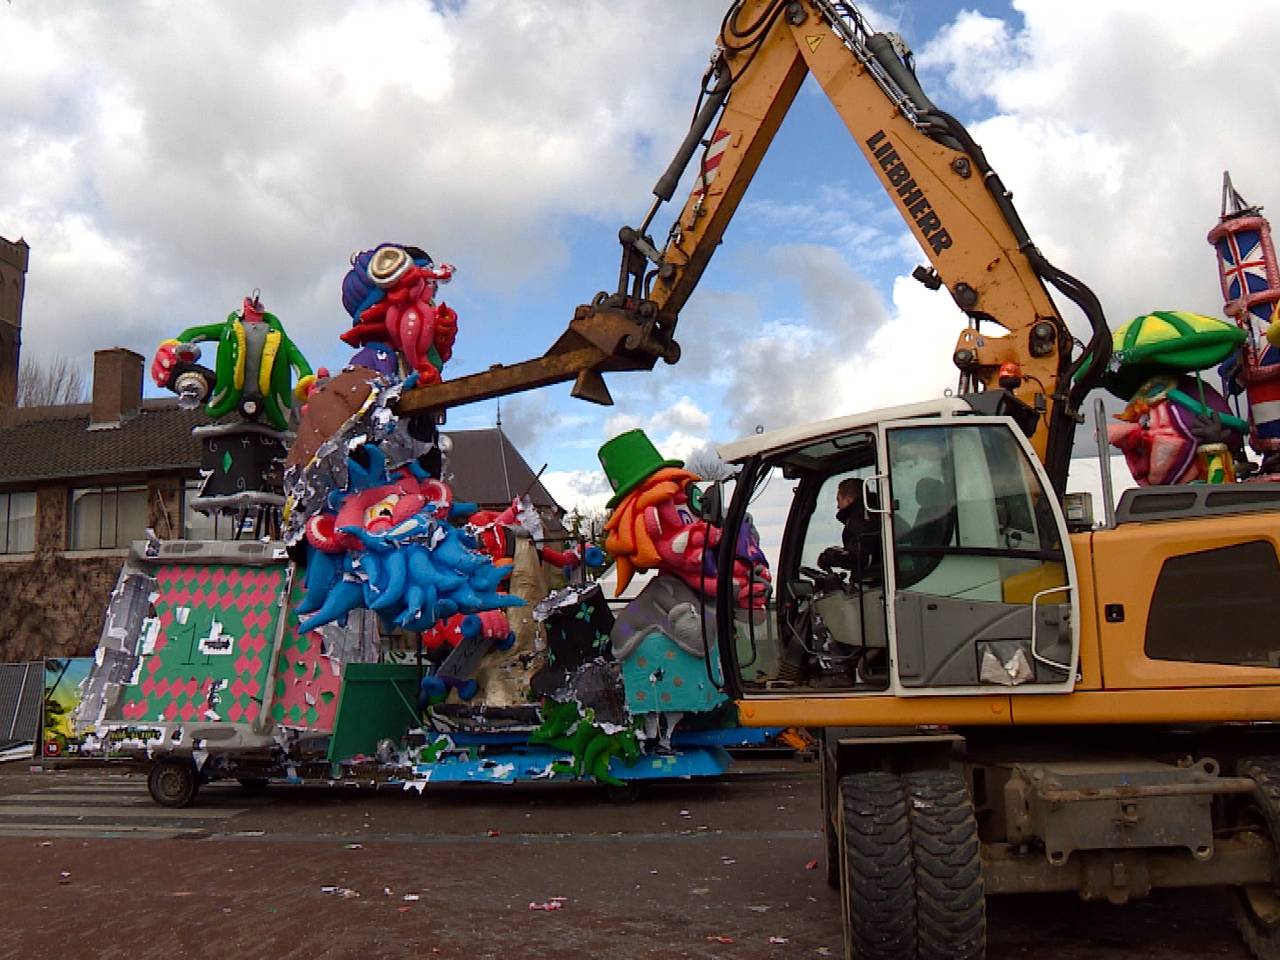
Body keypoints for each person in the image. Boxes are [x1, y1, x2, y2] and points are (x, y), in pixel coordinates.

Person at [817, 476, 882, 583]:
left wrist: (829, 558)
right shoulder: (877, 512)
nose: (838, 506)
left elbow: (861, 558)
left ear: (848, 499)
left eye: (838, 500)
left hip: (873, 582)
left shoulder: (860, 518)